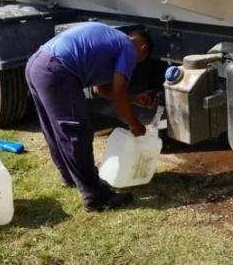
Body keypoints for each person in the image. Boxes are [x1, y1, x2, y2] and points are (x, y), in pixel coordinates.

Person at [25, 22, 151, 212]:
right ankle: (96, 197)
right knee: (76, 131)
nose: (136, 64)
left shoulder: (112, 40)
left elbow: (100, 89)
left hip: (37, 64)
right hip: (58, 70)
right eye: (142, 60)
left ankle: (69, 176)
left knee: (55, 128)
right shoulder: (128, 47)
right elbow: (118, 93)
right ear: (143, 48)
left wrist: (133, 99)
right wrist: (135, 124)